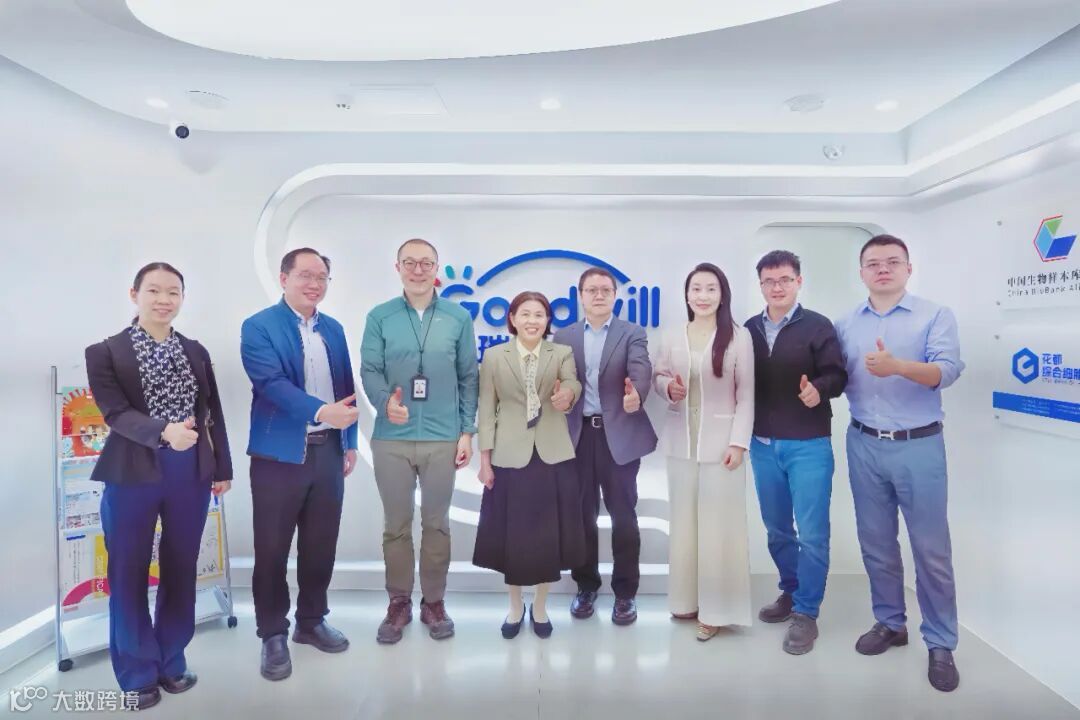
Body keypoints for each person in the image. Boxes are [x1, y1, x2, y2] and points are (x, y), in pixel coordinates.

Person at [85, 262, 232, 711]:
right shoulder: (105, 351)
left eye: (173, 292)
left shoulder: (195, 350)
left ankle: (171, 659)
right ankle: (136, 672)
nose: (164, 300)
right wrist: (164, 431)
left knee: (181, 565)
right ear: (135, 294)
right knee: (128, 570)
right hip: (132, 470)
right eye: (154, 290)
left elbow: (211, 412)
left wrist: (221, 466)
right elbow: (114, 413)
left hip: (191, 471)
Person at [834, 234, 965, 692]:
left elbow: (947, 371)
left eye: (893, 261)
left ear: (909, 268)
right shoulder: (845, 323)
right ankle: (890, 623)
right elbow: (835, 375)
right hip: (863, 442)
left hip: (918, 445)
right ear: (862, 272)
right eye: (873, 263)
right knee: (876, 542)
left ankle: (941, 642)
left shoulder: (935, 315)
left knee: (931, 549)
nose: (883, 269)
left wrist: (899, 366)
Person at [241, 248, 360, 681]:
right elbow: (270, 384)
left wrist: (349, 440)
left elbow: (346, 386)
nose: (314, 284)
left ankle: (311, 621)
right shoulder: (259, 326)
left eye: (322, 277)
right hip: (278, 455)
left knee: (321, 543)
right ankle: (272, 632)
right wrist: (321, 411)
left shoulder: (334, 328)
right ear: (284, 278)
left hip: (328, 451)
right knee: (272, 548)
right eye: (305, 275)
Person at [359, 238, 479, 644]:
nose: (417, 270)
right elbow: (370, 369)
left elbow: (469, 377)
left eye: (426, 263)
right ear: (398, 268)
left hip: (443, 437)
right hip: (392, 438)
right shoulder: (380, 316)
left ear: (436, 269)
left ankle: (434, 602)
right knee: (396, 525)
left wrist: (466, 432)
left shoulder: (458, 318)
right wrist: (384, 403)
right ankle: (398, 602)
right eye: (409, 262)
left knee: (436, 523)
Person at [745, 250, 847, 655]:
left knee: (813, 534)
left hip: (808, 445)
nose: (777, 287)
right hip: (763, 444)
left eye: (785, 279)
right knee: (777, 529)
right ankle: (790, 590)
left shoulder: (818, 326)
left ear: (798, 282)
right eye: (769, 281)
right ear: (761, 285)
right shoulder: (749, 329)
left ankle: (807, 612)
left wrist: (818, 389)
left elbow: (838, 374)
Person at [472, 292, 585, 639]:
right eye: (525, 314)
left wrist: (567, 395)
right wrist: (484, 461)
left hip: (551, 454)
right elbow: (486, 410)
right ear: (512, 318)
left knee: (547, 536)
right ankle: (515, 606)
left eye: (539, 314)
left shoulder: (560, 353)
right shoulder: (494, 356)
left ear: (548, 320)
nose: (532, 320)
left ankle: (540, 606)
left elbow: (572, 383)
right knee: (514, 537)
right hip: (508, 454)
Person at [654, 263, 754, 641]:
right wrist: (668, 389)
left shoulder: (738, 337)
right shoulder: (672, 334)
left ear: (722, 294)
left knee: (717, 531)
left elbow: (746, 394)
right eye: (696, 288)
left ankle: (716, 611)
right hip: (681, 444)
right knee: (683, 527)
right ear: (687, 294)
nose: (703, 295)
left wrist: (738, 443)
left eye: (711, 288)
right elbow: (659, 377)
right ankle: (685, 601)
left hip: (722, 447)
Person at [552, 267, 658, 625]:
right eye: (591, 290)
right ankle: (586, 586)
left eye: (605, 290)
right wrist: (560, 397)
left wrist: (636, 394)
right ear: (580, 296)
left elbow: (641, 369)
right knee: (581, 516)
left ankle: (625, 594)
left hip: (619, 436)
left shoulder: (631, 332)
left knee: (623, 516)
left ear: (614, 296)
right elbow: (559, 381)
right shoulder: (564, 335)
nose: (598, 295)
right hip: (578, 436)